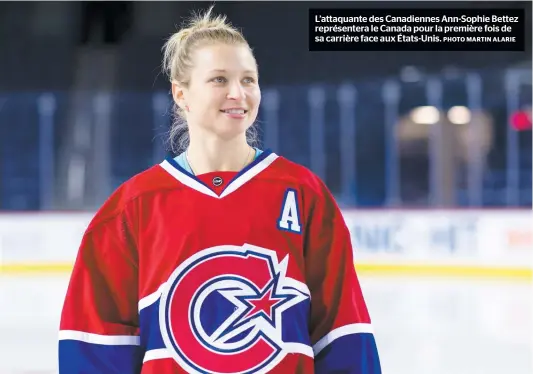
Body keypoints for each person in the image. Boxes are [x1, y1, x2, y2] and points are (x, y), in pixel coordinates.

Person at [58, 6, 381, 374]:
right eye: (218, 80)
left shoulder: (303, 193)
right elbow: (96, 346)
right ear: (181, 94)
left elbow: (343, 333)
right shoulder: (133, 207)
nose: (238, 93)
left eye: (248, 80)